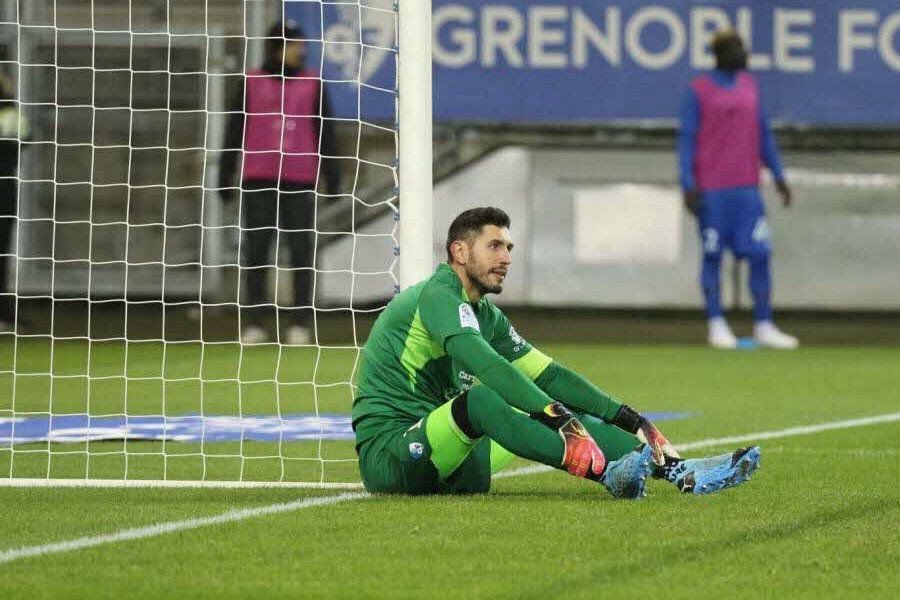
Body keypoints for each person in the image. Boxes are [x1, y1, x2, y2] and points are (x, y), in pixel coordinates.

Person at [352, 207, 760, 497]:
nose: (507, 258)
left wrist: (624, 414)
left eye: (509, 247)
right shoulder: (436, 295)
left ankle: (679, 470)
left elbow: (548, 376)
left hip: (452, 460)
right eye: (494, 246)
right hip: (393, 456)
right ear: (460, 252)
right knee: (485, 400)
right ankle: (606, 475)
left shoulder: (485, 314)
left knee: (554, 409)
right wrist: (554, 415)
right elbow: (486, 365)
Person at [219, 20, 340, 345]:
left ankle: (300, 322)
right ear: (277, 46)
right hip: (258, 176)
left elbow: (325, 133)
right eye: (295, 44)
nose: (301, 49)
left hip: (299, 179)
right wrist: (225, 174)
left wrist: (334, 177)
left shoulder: (314, 83)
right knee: (257, 251)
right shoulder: (251, 81)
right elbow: (234, 130)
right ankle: (255, 322)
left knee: (301, 251)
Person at [679, 30, 798, 349]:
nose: (742, 54)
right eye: (735, 48)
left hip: (747, 189)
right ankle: (716, 324)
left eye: (742, 48)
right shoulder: (699, 91)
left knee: (760, 254)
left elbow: (763, 135)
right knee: (713, 254)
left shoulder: (749, 86)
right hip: (713, 191)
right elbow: (687, 139)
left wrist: (779, 176)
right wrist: (687, 182)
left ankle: (764, 324)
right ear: (719, 53)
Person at [0, 74, 28, 333]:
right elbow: (26, 139)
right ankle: (4, 313)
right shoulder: (13, 116)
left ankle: (4, 312)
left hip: (4, 190)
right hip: (5, 190)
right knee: (2, 252)